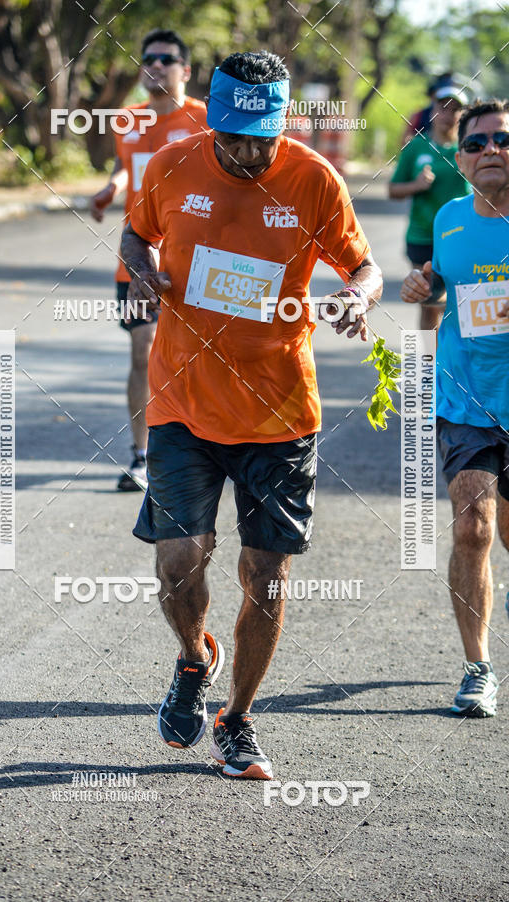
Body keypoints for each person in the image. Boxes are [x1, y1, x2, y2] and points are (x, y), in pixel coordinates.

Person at [121, 51, 383, 778]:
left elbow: (364, 265)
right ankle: (192, 656)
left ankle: (235, 721)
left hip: (280, 413)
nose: (246, 152)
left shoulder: (311, 178)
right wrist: (142, 275)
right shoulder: (174, 165)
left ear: (280, 124)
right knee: (179, 565)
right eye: (232, 136)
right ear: (213, 118)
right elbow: (135, 233)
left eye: (260, 138)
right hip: (181, 400)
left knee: (266, 577)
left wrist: (358, 297)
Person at [401, 98, 509, 718]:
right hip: (466, 397)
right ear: (459, 158)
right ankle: (477, 667)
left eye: (502, 140)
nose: (490, 150)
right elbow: (441, 279)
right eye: (476, 143)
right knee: (474, 528)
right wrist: (425, 285)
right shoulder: (449, 217)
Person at [90, 29, 207, 491]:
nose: (155, 66)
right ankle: (141, 457)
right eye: (148, 59)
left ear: (186, 70)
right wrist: (111, 188)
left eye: (166, 59)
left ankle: (202, 449)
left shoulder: (205, 119)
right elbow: (127, 166)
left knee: (195, 359)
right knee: (144, 350)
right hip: (137, 257)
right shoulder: (128, 120)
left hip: (195, 262)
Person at [390, 85, 471, 332]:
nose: (448, 114)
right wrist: (416, 185)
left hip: (462, 236)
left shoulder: (470, 147)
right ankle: (427, 366)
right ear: (433, 110)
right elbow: (393, 190)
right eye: (442, 107)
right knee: (430, 303)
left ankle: (456, 364)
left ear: (462, 114)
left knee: (461, 304)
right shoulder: (416, 147)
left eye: (455, 109)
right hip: (423, 236)